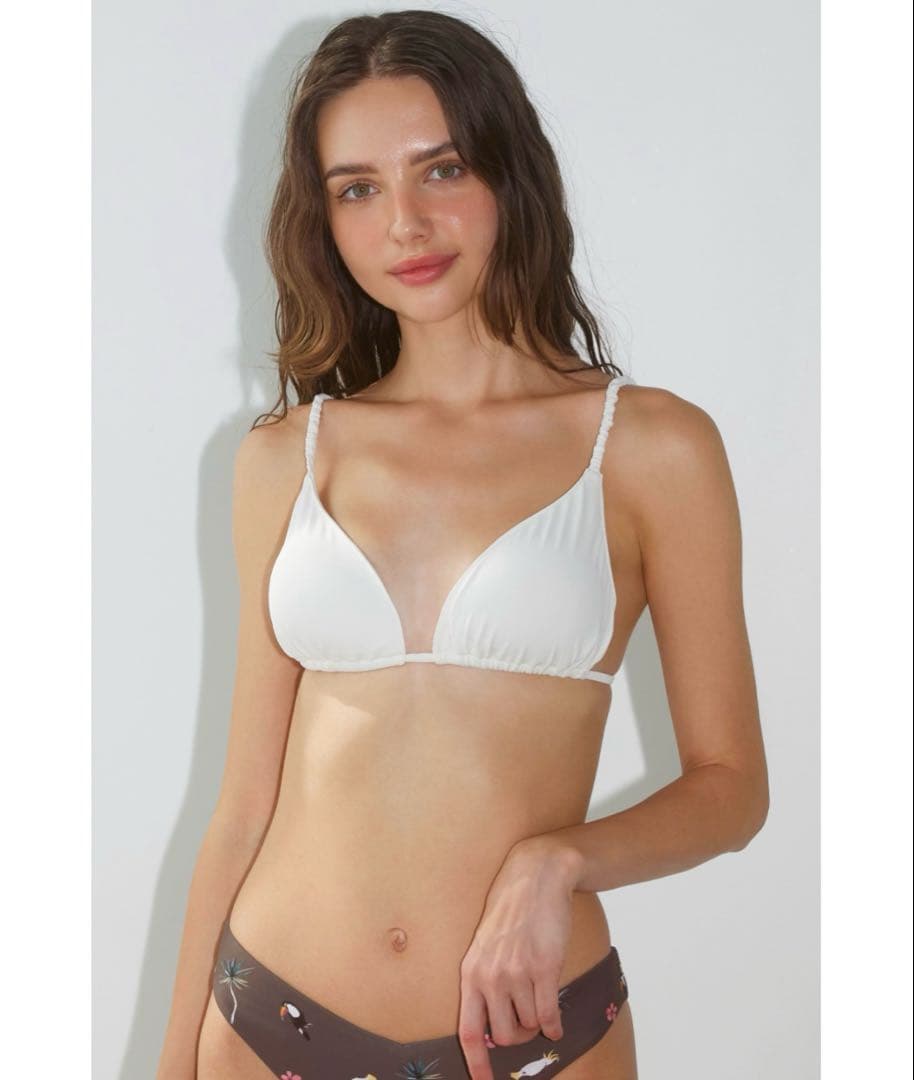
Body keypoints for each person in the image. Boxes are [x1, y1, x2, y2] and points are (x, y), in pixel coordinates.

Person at [157, 11, 769, 1080]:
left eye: (440, 169)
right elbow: (244, 805)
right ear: (323, 220)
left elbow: (731, 787)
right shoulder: (286, 457)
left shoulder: (647, 447)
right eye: (357, 189)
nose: (405, 223)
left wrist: (559, 861)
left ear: (507, 172)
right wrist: (170, 1064)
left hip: (535, 1034)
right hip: (266, 1020)